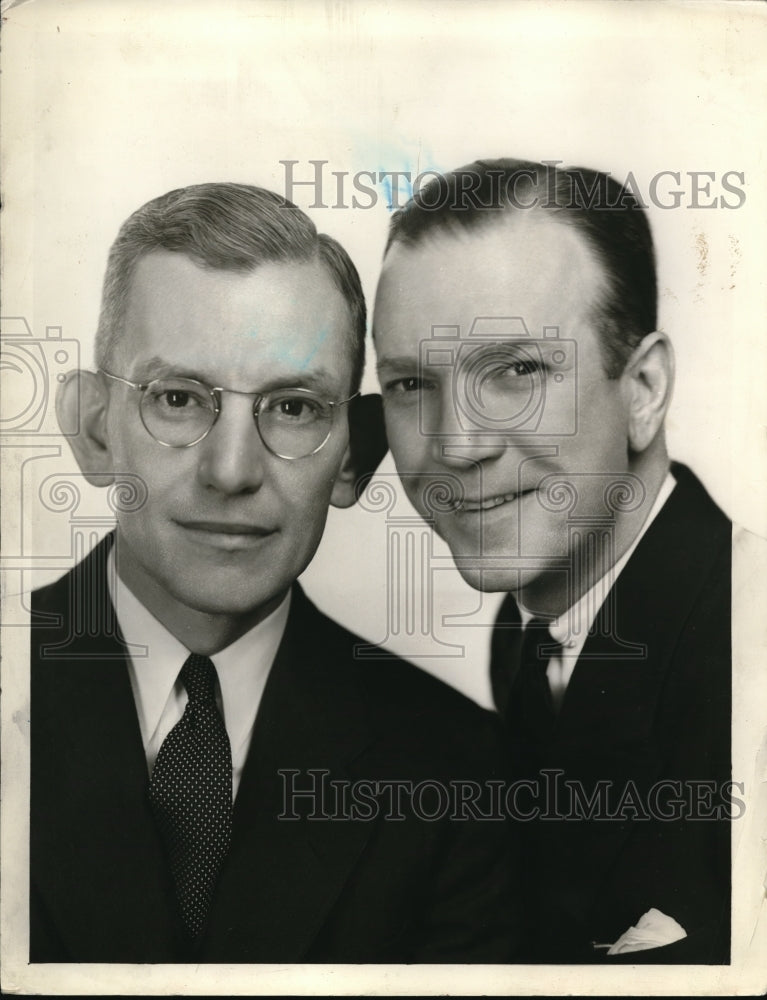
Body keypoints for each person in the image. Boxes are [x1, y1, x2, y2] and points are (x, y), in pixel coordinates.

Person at [30, 182, 517, 964]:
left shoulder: (459, 774)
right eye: (179, 399)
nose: (231, 472)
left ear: (355, 454)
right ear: (94, 431)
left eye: (293, 408)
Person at [373, 159, 731, 963]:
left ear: (641, 387)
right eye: (408, 385)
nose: (455, 448)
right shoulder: (527, 633)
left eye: (517, 371)